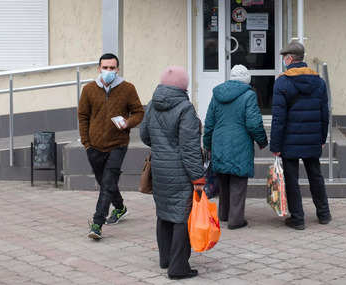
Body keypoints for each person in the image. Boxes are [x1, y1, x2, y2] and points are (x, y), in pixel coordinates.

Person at [140, 66, 205, 280]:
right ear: (183, 86)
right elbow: (190, 147)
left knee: (164, 213)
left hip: (159, 168)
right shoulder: (185, 108)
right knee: (181, 217)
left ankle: (165, 259)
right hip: (181, 172)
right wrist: (198, 177)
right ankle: (178, 268)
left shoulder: (151, 104)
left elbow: (144, 135)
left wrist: (161, 147)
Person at [79, 53, 144, 240]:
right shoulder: (89, 89)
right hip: (94, 146)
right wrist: (86, 143)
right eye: (105, 67)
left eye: (112, 68)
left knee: (107, 183)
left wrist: (128, 122)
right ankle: (120, 207)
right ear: (99, 69)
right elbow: (83, 117)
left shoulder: (127, 88)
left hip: (118, 144)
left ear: (117, 69)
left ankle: (97, 223)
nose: (108, 71)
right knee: (106, 183)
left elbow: (139, 112)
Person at [270, 41, 331, 230]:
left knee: (291, 179)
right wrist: (322, 138)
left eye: (284, 58)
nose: (284, 61)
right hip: (312, 138)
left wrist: (275, 146)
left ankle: (298, 218)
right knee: (316, 176)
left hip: (290, 141)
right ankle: (324, 214)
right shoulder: (319, 81)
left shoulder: (282, 82)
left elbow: (279, 118)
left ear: (289, 58)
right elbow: (324, 113)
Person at [203, 65, 268, 230]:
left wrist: (207, 144)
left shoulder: (217, 94)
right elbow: (254, 123)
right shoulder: (249, 95)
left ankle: (224, 215)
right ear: (247, 79)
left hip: (220, 143)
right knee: (238, 182)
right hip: (240, 143)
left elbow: (209, 122)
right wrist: (262, 141)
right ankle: (236, 220)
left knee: (223, 180)